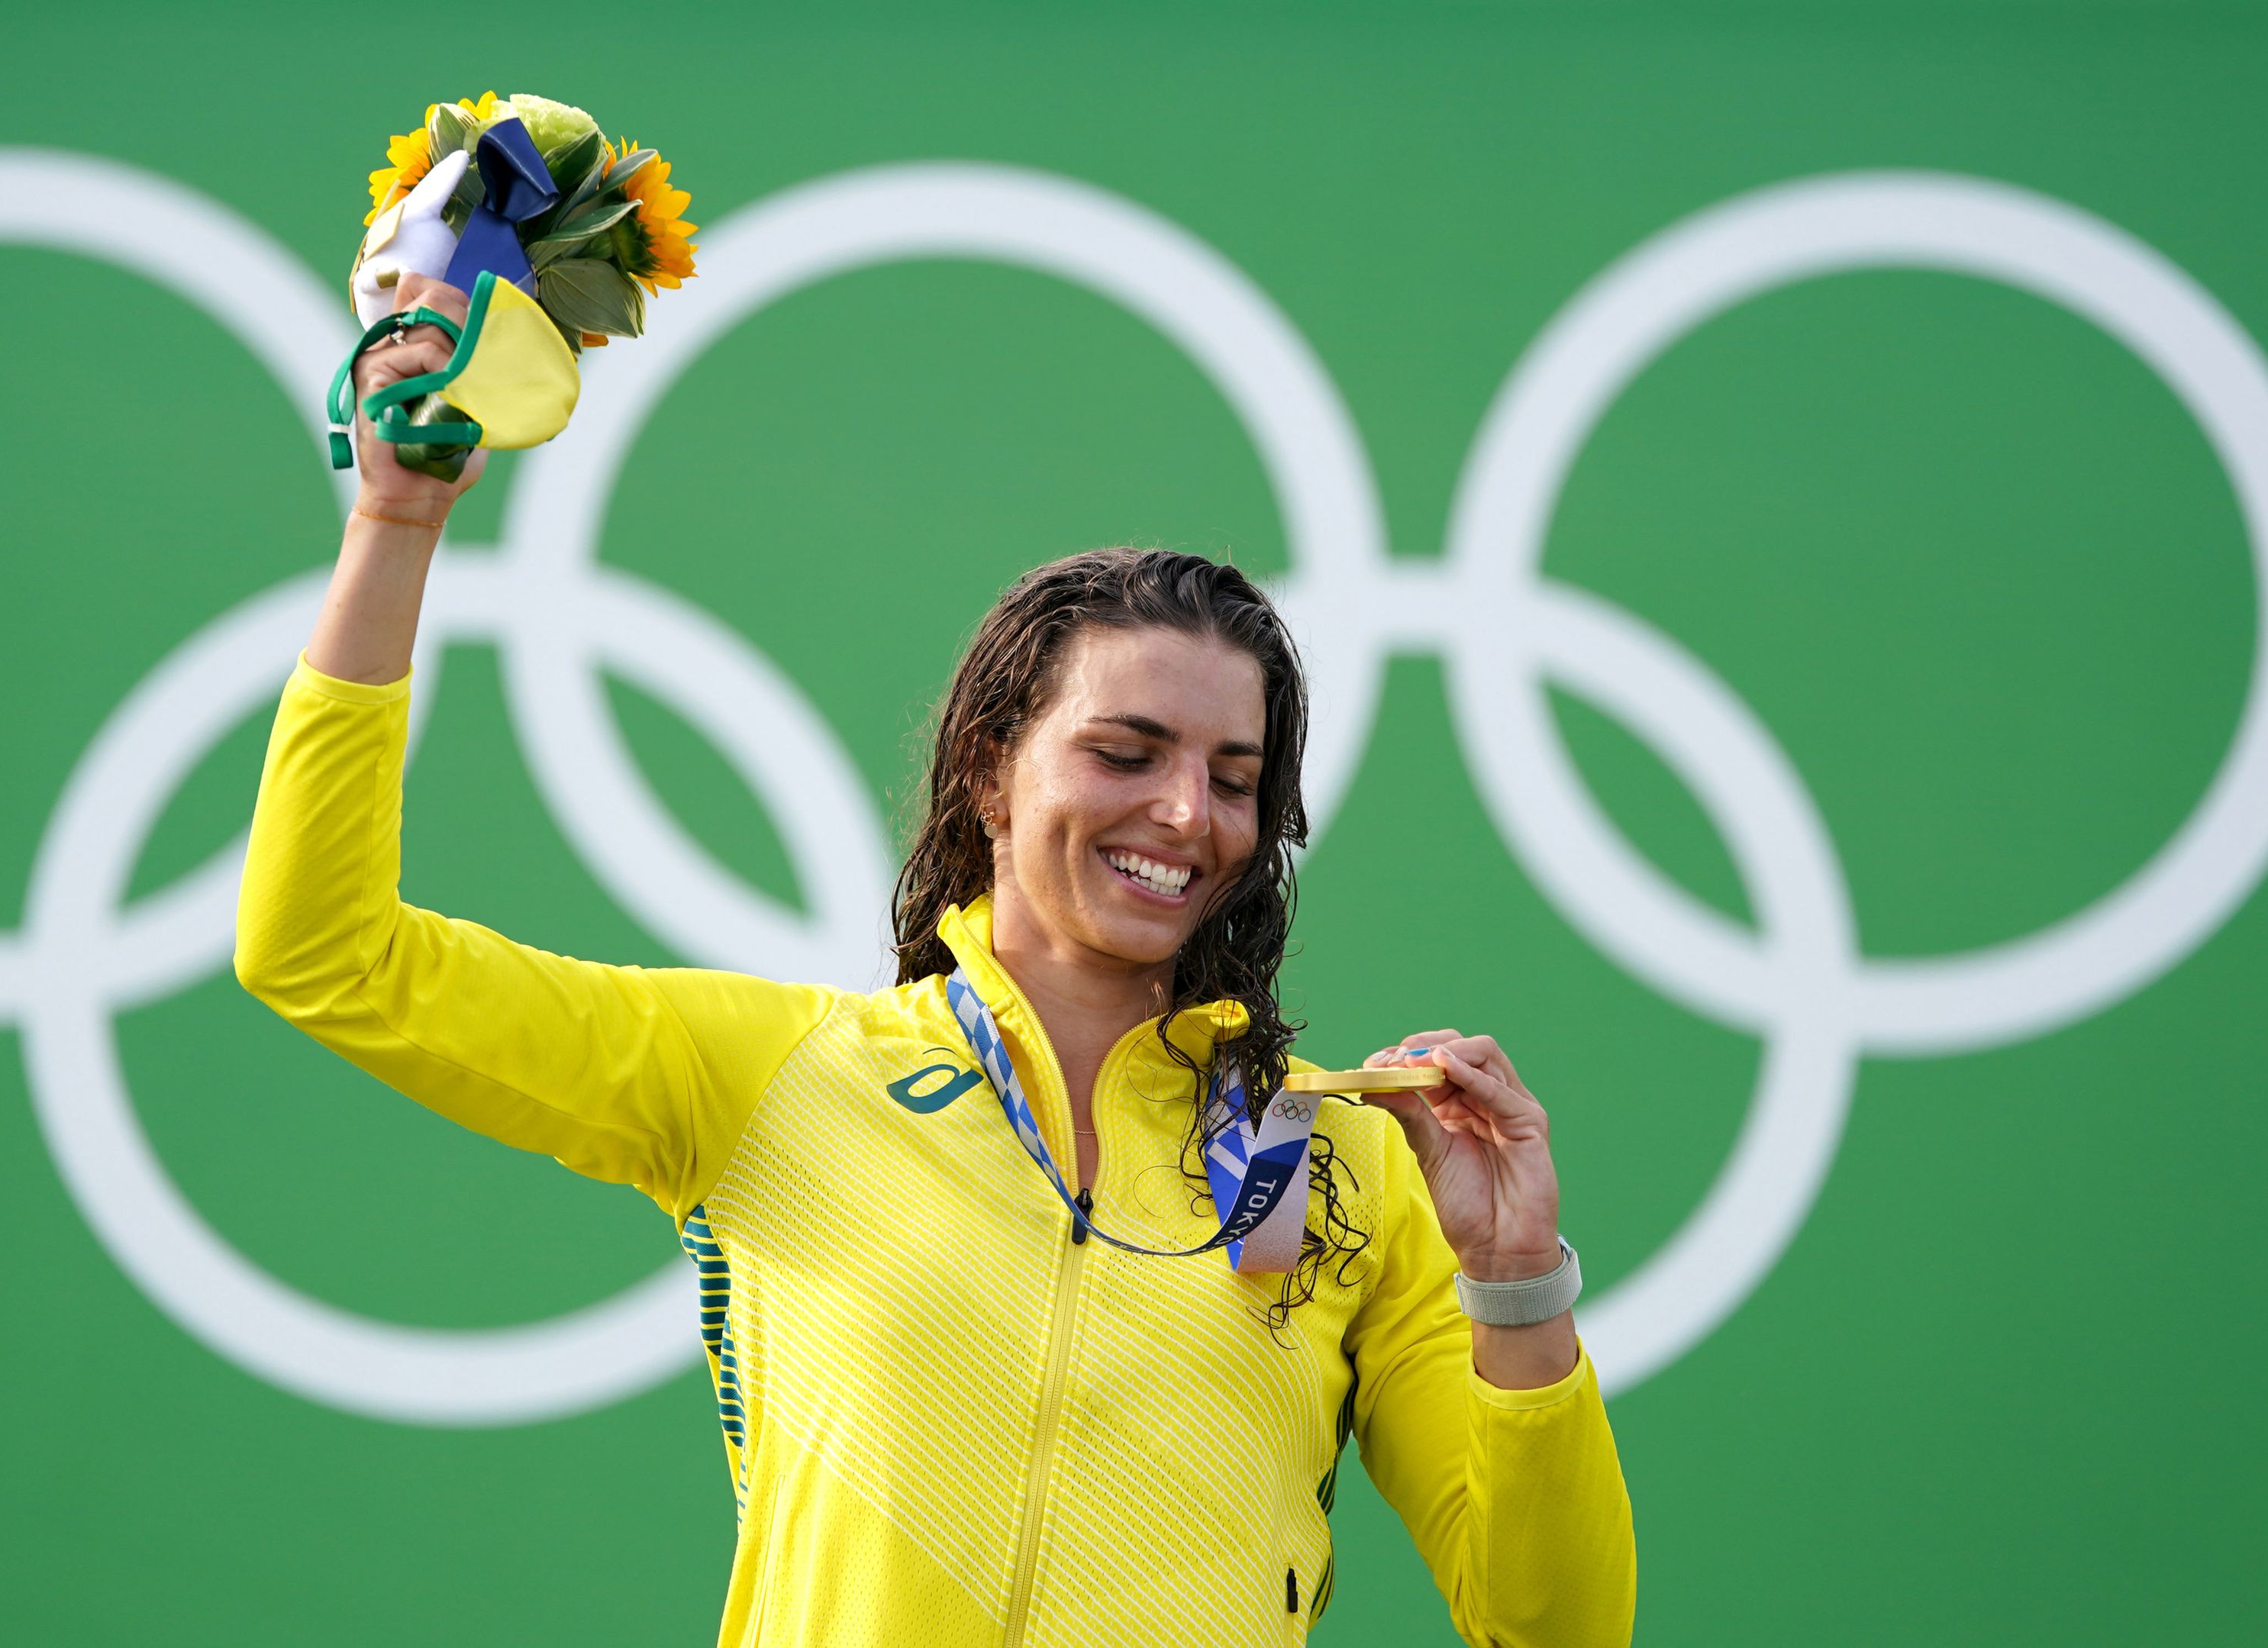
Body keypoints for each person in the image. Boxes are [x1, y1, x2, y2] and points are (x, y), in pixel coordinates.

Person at [235, 272, 1635, 1646]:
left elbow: (1557, 1630)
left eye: (1234, 776)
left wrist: (1517, 1287)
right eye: (1124, 752)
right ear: (988, 769)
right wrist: (396, 520)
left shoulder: (1341, 1164)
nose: (1182, 815)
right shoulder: (774, 1079)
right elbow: (324, 953)